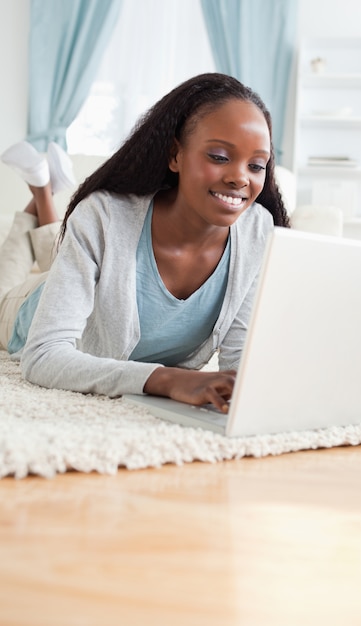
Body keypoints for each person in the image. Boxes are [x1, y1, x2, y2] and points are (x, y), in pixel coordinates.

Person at [0, 73, 290, 413]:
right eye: (219, 157)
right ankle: (41, 193)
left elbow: (240, 356)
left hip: (95, 290)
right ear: (175, 156)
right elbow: (45, 355)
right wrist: (166, 379)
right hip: (24, 310)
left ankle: (43, 191)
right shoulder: (104, 215)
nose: (241, 177)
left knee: (60, 255)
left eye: (257, 165)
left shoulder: (257, 230)